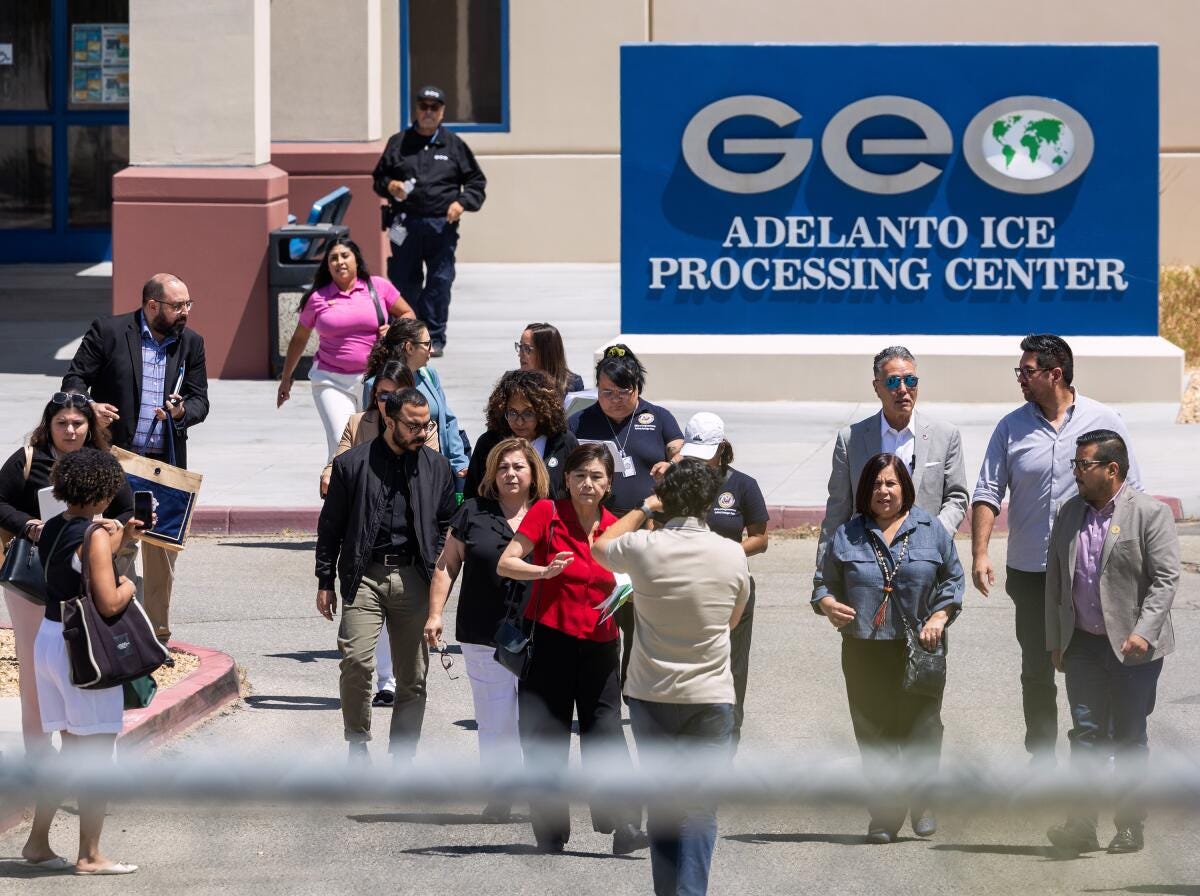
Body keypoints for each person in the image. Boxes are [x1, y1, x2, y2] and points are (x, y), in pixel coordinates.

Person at [971, 334, 1142, 764]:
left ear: (1055, 374)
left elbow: (1131, 493)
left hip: (1089, 572)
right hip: (1031, 571)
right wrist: (980, 553)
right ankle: (1042, 760)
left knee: (1095, 665)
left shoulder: (1104, 421)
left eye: (1027, 371)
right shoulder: (1011, 427)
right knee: (1036, 669)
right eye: (1020, 370)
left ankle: (1095, 752)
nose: (1020, 378)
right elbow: (988, 491)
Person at [593, 459, 750, 896]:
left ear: (666, 498)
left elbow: (600, 546)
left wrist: (645, 506)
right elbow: (732, 620)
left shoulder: (643, 546)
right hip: (709, 694)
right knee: (699, 808)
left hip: (651, 693)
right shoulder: (732, 553)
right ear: (708, 503)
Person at [497, 443, 647, 855]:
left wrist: (633, 591)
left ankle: (624, 824)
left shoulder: (616, 528)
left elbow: (635, 579)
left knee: (607, 734)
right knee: (546, 737)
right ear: (566, 479)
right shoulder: (547, 513)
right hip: (550, 642)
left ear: (609, 484)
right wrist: (543, 571)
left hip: (601, 645)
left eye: (596, 477)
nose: (587, 484)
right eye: (580, 475)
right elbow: (506, 562)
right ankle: (550, 833)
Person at [813, 452, 964, 844]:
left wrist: (939, 616)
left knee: (922, 727)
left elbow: (953, 580)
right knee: (874, 732)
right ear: (865, 490)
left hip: (921, 648)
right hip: (865, 649)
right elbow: (823, 582)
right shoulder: (847, 534)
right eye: (876, 484)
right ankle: (884, 814)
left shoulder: (931, 530)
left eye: (891, 483)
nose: (884, 491)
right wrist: (827, 603)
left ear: (904, 488)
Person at [1044, 430, 1178, 855]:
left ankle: (1130, 825)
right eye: (1076, 464)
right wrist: (1057, 639)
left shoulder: (1150, 513)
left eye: (1084, 465)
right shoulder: (1069, 513)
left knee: (1129, 736)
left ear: (1112, 469)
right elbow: (1055, 581)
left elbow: (1166, 579)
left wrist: (1143, 631)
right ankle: (1082, 826)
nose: (1076, 473)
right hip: (1082, 644)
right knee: (1085, 734)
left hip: (1132, 648)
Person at [62, 272, 210, 643]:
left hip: (163, 468)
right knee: (117, 547)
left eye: (188, 304)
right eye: (178, 305)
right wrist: (90, 406)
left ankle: (157, 638)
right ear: (152, 305)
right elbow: (74, 380)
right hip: (116, 464)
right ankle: (118, 634)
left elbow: (200, 401)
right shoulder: (109, 332)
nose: (185, 312)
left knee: (161, 557)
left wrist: (181, 411)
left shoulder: (191, 343)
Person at [21, 448, 146, 874]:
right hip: (82, 651)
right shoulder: (93, 535)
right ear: (104, 491)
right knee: (95, 753)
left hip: (50, 640)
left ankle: (38, 843)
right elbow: (108, 601)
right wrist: (128, 586)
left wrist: (119, 538)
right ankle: (90, 855)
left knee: (71, 749)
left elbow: (76, 566)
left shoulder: (55, 525)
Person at [316, 388, 457, 760]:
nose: (422, 433)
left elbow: (447, 524)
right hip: (365, 575)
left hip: (415, 577)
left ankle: (403, 757)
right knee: (356, 662)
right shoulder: (352, 465)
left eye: (426, 425)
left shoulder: (437, 467)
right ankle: (357, 743)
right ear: (389, 421)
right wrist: (325, 580)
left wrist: (436, 572)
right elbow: (330, 527)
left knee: (413, 677)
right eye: (413, 425)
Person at [0, 394, 133, 764]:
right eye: (62, 423)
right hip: (30, 577)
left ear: (90, 426)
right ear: (49, 425)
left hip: (86, 572)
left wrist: (113, 526)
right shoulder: (28, 459)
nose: (70, 430)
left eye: (78, 423)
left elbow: (126, 507)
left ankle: (78, 758)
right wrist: (27, 525)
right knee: (34, 669)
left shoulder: (103, 462)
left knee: (85, 661)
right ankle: (39, 759)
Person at [424, 437, 550, 823]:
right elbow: (447, 564)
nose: (510, 474)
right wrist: (434, 614)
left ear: (534, 473)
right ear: (492, 474)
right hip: (483, 632)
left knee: (538, 720)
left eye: (519, 467)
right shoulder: (472, 512)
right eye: (503, 467)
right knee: (495, 719)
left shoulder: (550, 513)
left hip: (542, 632)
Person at [569, 344, 684, 687]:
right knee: (600, 612)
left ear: (637, 388)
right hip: (598, 530)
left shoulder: (657, 417)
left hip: (646, 531)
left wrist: (672, 464)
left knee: (639, 615)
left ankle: (633, 688)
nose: (615, 399)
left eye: (624, 392)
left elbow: (681, 452)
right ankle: (601, 687)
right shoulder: (581, 420)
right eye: (607, 392)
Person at [816, 346, 968, 591]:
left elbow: (957, 497)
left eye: (911, 380)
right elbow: (838, 508)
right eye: (893, 382)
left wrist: (933, 536)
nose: (903, 389)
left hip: (925, 566)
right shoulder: (851, 439)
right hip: (865, 565)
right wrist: (823, 576)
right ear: (877, 387)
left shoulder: (945, 435)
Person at [318, 360, 416, 708]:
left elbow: (430, 468)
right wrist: (328, 474)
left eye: (394, 395)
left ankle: (392, 681)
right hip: (363, 534)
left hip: (403, 534)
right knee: (366, 620)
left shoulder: (421, 425)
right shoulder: (359, 423)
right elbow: (340, 461)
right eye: (381, 395)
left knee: (396, 619)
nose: (387, 402)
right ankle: (377, 685)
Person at [372, 84, 487, 356]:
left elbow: (476, 182)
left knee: (439, 282)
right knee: (404, 282)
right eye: (423, 106)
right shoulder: (399, 142)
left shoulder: (454, 145)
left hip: (441, 227)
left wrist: (461, 203)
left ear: (442, 112)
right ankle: (407, 337)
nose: (428, 112)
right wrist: (390, 186)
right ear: (416, 109)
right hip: (405, 225)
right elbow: (379, 178)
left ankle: (433, 338)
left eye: (434, 107)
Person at [676, 412, 768, 747]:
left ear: (721, 448)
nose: (699, 463)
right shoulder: (676, 482)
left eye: (707, 456)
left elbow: (760, 539)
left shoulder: (743, 485)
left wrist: (724, 553)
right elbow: (657, 527)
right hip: (686, 589)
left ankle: (728, 737)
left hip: (732, 589)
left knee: (731, 666)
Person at [277, 236, 415, 459]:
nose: (339, 261)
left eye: (344, 256)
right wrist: (286, 378)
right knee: (342, 440)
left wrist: (393, 329)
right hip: (330, 381)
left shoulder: (378, 286)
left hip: (375, 381)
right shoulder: (318, 298)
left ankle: (360, 483)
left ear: (356, 260)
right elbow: (299, 339)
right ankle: (337, 481)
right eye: (333, 258)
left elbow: (408, 313)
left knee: (375, 443)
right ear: (327, 265)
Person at [362, 318, 469, 480]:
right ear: (409, 348)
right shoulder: (377, 386)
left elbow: (448, 421)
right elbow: (371, 430)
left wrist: (458, 461)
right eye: (427, 344)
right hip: (395, 473)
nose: (431, 350)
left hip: (435, 469)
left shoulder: (429, 375)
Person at [463, 369, 579, 501]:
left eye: (528, 413)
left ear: (543, 412)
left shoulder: (564, 441)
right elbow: (472, 496)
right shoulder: (488, 443)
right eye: (512, 413)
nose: (519, 422)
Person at [516, 322, 585, 396]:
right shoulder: (513, 382)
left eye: (526, 348)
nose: (520, 354)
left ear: (546, 352)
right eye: (520, 347)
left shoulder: (573, 384)